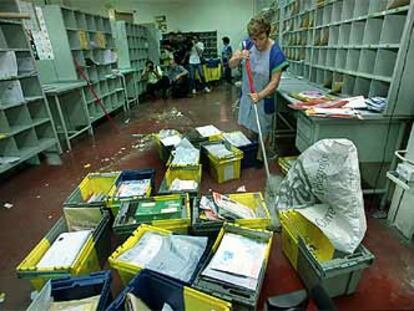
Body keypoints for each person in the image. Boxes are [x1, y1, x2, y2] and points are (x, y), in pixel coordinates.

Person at [229, 16, 288, 167]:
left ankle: (260, 156)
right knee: (249, 126)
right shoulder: (246, 44)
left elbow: (274, 82)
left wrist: (260, 95)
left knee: (263, 129)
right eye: (254, 39)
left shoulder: (275, 53)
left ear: (267, 34)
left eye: (261, 38)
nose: (258, 43)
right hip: (248, 94)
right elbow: (231, 64)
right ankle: (251, 150)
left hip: (264, 97)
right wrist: (239, 57)